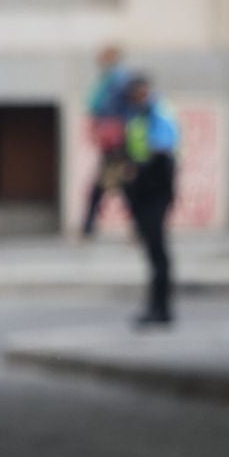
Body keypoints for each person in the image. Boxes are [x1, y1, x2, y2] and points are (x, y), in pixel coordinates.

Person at [121, 73, 180, 327]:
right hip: (141, 190)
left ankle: (162, 308)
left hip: (155, 188)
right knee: (152, 252)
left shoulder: (159, 112)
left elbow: (162, 150)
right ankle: (156, 307)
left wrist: (139, 170)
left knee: (158, 252)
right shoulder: (136, 115)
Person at [80, 45, 132, 238]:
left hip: (116, 141)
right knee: (119, 184)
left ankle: (88, 227)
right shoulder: (110, 79)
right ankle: (88, 227)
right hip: (112, 140)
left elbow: (106, 107)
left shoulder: (118, 79)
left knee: (115, 183)